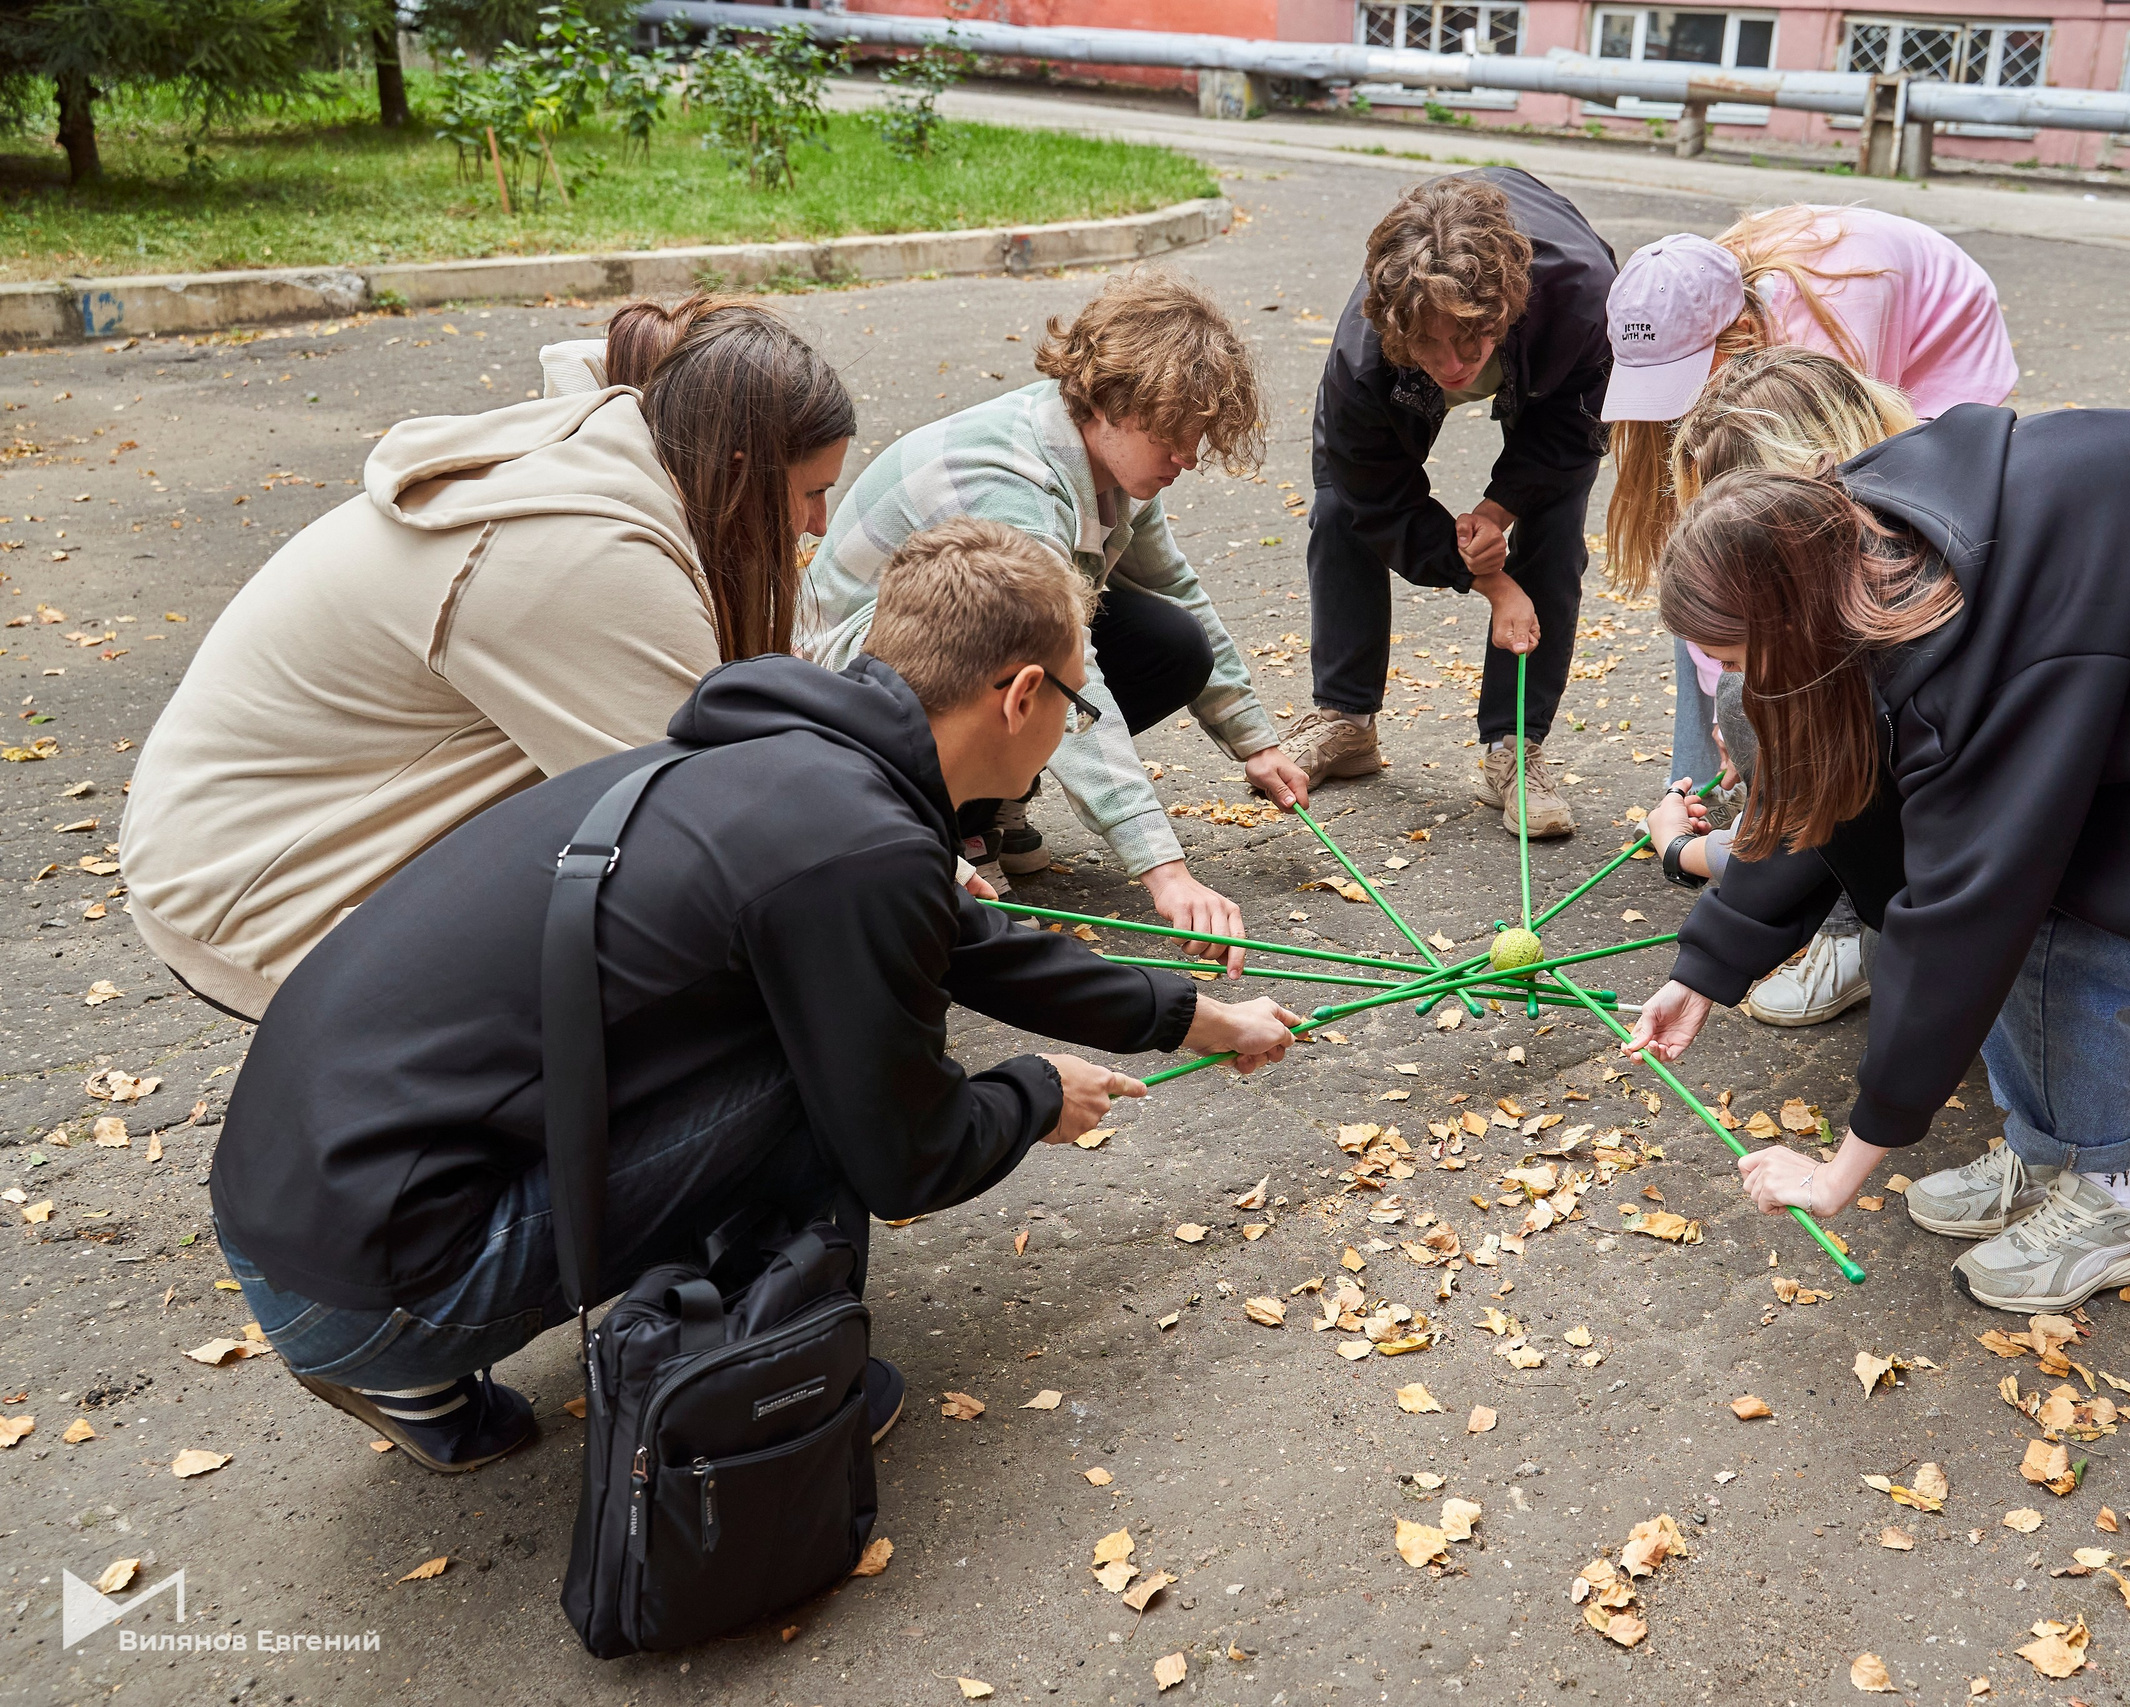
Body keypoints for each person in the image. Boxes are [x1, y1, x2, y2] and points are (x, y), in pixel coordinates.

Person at [211, 516, 1302, 1471]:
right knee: (818, 1062)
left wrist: (1191, 1016)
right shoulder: (853, 848)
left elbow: (963, 937)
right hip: (378, 1283)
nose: (1075, 723)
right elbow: (904, 1156)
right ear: (1022, 695)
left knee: (814, 1018)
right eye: (1077, 700)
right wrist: (1028, 1095)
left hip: (295, 1215)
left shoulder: (792, 766)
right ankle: (765, 1367)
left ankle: (418, 1381)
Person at [1622, 396, 2130, 1313]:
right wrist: (1705, 969)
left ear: (1792, 628)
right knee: (2025, 880)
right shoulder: (1840, 543)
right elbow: (1823, 789)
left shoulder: (1977, 657)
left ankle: (2115, 1196)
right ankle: (2045, 1148)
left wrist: (1843, 1168)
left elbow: (1962, 914)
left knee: (2068, 899)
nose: (1732, 678)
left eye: (1733, 654)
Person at [120, 295, 853, 1020]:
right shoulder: (583, 560)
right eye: (813, 491)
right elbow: (720, 818)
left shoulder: (632, 462)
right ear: (737, 466)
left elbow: (752, 737)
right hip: (256, 891)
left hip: (262, 831)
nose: (820, 522)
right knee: (701, 942)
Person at [804, 270, 1302, 972]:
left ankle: (993, 798)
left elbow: (1175, 587)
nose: (1188, 458)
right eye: (1174, 437)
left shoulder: (1111, 464)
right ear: (1110, 403)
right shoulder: (1014, 486)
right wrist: (1165, 868)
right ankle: (956, 819)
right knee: (1033, 660)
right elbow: (1061, 672)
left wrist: (1254, 740)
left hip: (958, 637)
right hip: (857, 674)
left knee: (1172, 643)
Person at [1601, 206, 2015, 1027]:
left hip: (1930, 356)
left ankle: (1855, 920)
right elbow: (1732, 599)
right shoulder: (1696, 323)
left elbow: (1789, 596)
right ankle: (1818, 865)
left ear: (1742, 334)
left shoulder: (1823, 352)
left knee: (1832, 683)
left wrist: (1696, 836)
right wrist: (1733, 731)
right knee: (1763, 689)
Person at [1283, 168, 1616, 838]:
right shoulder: (1365, 355)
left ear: (1502, 311)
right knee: (1337, 504)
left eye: (1464, 340)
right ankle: (1346, 719)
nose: (1452, 362)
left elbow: (1571, 437)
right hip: (1404, 366)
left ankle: (1513, 746)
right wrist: (1486, 578)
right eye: (1427, 346)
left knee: (1554, 523)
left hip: (1545, 342)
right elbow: (1373, 491)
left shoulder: (1582, 300)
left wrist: (1498, 511)